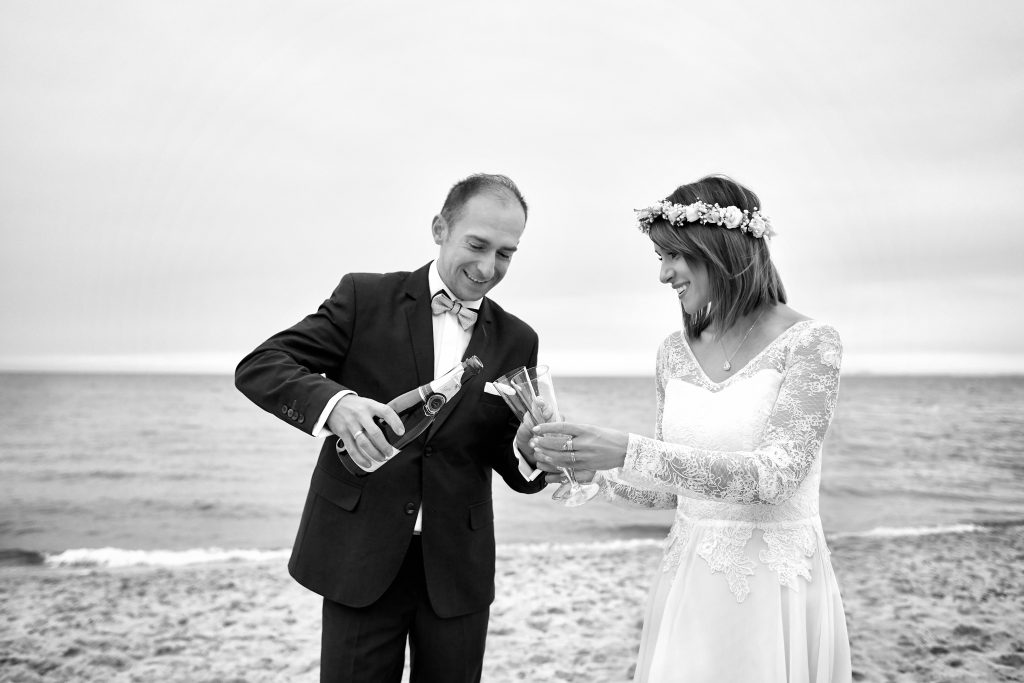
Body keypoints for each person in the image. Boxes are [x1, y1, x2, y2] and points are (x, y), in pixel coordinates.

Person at [531, 175, 852, 682]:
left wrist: (627, 449)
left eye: (673, 255)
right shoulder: (673, 353)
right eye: (659, 257)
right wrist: (596, 475)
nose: (663, 274)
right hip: (689, 584)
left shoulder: (811, 342)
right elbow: (675, 491)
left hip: (774, 593)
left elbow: (775, 478)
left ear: (718, 248)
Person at [235, 173, 548, 683]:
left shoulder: (519, 339)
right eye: (477, 245)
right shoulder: (365, 297)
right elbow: (262, 365)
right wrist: (336, 404)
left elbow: (505, 453)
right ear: (440, 228)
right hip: (358, 553)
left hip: (458, 566)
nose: (488, 267)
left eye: (506, 254)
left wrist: (530, 451)